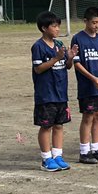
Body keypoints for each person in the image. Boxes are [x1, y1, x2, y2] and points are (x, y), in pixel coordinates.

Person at [31, 11, 75, 171]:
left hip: (60, 93)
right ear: (44, 28)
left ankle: (57, 156)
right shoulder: (38, 46)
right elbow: (38, 69)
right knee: (46, 126)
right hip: (46, 94)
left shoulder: (59, 44)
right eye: (54, 26)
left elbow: (67, 66)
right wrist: (55, 58)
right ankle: (46, 158)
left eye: (58, 26)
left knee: (59, 125)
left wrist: (70, 57)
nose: (57, 29)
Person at [72, 6, 98, 163]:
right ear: (86, 21)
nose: (97, 26)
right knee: (88, 116)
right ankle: (84, 151)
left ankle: (96, 148)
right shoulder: (78, 38)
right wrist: (92, 78)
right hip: (88, 87)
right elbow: (77, 63)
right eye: (94, 22)